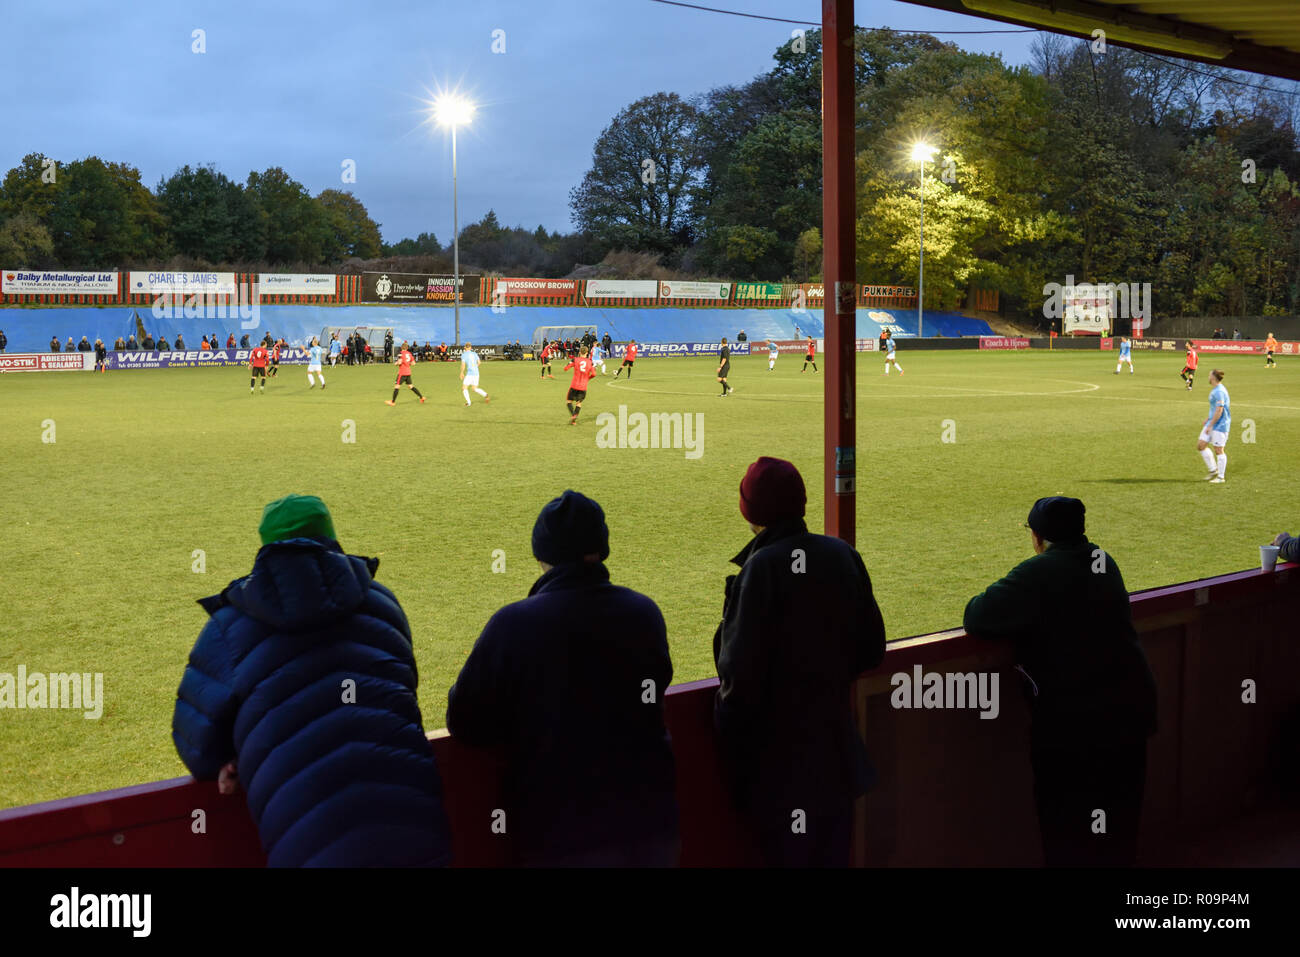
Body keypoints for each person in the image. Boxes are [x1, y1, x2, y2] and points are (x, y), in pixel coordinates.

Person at [171, 494, 452, 867]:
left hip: (308, 843)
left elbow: (197, 746)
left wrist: (231, 757)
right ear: (331, 537)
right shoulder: (383, 602)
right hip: (416, 831)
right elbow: (399, 690)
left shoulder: (229, 626)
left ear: (266, 547)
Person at [446, 490, 678, 866]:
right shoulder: (643, 613)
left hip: (562, 834)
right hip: (651, 823)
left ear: (542, 554)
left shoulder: (513, 624)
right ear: (601, 549)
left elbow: (465, 720)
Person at [963, 496, 1158, 867]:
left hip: (1077, 726)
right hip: (1129, 713)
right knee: (1118, 824)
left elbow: (977, 616)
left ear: (1037, 536)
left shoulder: (1039, 571)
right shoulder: (1104, 561)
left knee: (1065, 826)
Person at [713, 457, 886, 866]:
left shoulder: (761, 568)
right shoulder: (842, 554)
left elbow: (737, 677)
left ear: (749, 510)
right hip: (836, 760)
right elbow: (871, 649)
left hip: (779, 772)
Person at [1197, 369, 1231, 484]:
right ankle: (1213, 470)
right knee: (1201, 445)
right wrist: (1208, 419)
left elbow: (1220, 410)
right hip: (1212, 422)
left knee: (1219, 450)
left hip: (1220, 425)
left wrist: (1210, 425)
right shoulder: (1216, 390)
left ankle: (1221, 477)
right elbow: (1214, 409)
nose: (1208, 376)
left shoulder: (1219, 392)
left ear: (1213, 377)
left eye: (1209, 374)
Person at [564, 346, 595, 425]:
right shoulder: (590, 362)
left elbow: (566, 368)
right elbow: (594, 374)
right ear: (587, 353)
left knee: (568, 401)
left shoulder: (575, 359)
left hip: (574, 385)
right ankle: (574, 418)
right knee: (579, 403)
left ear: (579, 352)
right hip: (583, 386)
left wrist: (568, 366)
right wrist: (588, 378)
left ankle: (573, 415)